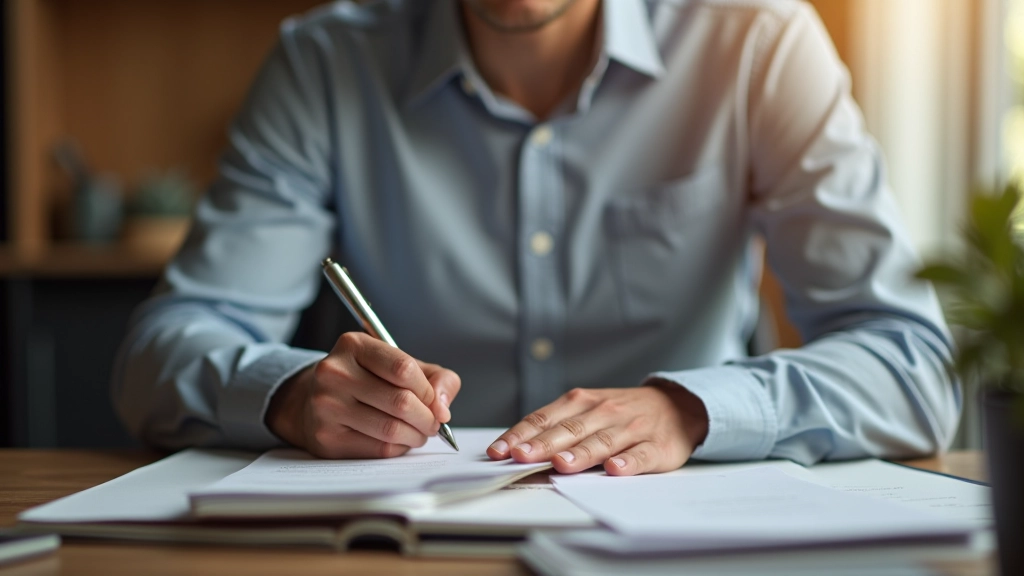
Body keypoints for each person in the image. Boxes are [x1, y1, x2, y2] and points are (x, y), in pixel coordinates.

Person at [112, 0, 961, 476]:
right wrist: (289, 394)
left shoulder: (757, 47)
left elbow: (914, 365)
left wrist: (692, 409)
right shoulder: (324, 64)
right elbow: (161, 352)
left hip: (677, 549)